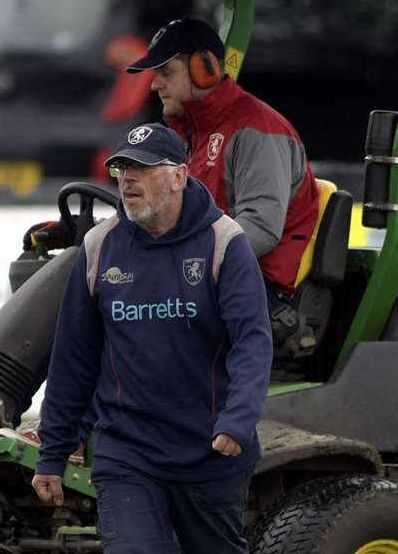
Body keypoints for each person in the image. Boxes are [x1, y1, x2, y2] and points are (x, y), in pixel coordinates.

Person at [32, 122, 272, 554]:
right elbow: (73, 360)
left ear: (177, 174)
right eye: (120, 171)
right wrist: (53, 451)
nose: (126, 181)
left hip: (211, 450)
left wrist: (237, 421)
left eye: (139, 169)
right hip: (127, 449)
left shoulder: (225, 244)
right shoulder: (99, 248)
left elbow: (252, 343)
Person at [126, 18, 321, 331]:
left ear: (205, 70)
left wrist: (178, 262)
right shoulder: (193, 136)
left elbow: (259, 227)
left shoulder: (257, 130)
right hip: (208, 281)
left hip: (255, 291)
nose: (154, 85)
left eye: (166, 73)